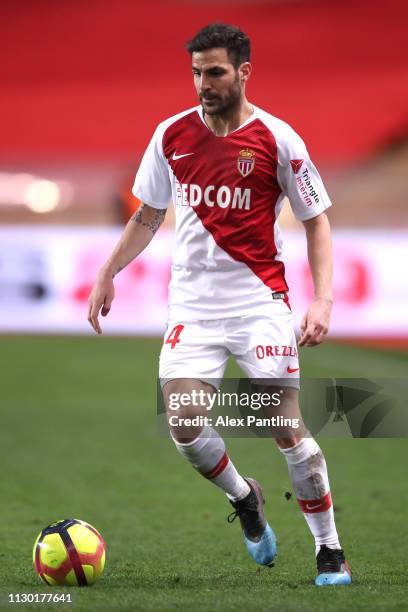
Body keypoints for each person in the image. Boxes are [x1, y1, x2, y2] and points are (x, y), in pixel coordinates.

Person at [88, 23, 351, 586]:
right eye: (196, 73)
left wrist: (322, 298)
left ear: (244, 72)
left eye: (215, 72)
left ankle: (329, 547)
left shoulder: (279, 139)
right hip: (193, 310)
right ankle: (245, 496)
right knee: (184, 422)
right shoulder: (170, 135)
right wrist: (109, 271)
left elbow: (316, 219)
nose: (203, 83)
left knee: (284, 427)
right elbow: (148, 214)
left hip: (260, 304)